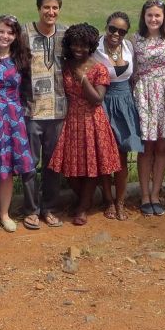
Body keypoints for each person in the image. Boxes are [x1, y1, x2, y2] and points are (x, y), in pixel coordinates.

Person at [48, 23, 122, 226]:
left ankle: (82, 207)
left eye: (82, 45)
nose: (77, 49)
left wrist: (82, 79)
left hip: (93, 120)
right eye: (74, 45)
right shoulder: (66, 65)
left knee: (92, 165)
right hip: (71, 119)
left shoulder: (99, 69)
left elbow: (98, 99)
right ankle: (86, 200)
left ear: (90, 46)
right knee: (69, 166)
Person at [0, 14, 35, 233]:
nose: (5, 36)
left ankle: (5, 214)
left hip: (12, 117)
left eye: (10, 32)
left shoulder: (21, 58)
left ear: (16, 35)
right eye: (2, 31)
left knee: (7, 168)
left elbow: (28, 89)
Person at [21, 0, 68, 229]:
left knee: (53, 164)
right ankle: (30, 210)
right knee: (29, 163)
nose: (51, 12)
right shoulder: (24, 34)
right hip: (31, 111)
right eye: (46, 7)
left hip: (59, 111)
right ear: (38, 8)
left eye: (55, 8)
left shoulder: (66, 34)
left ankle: (49, 208)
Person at [94, 11, 143, 221]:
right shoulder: (94, 47)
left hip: (124, 101)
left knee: (122, 154)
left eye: (121, 31)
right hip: (101, 99)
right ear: (106, 26)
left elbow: (136, 74)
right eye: (112, 28)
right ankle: (107, 200)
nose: (116, 33)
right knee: (105, 154)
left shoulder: (129, 47)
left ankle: (120, 201)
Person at [132, 0, 165, 217]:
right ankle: (144, 195)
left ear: (163, 16)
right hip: (144, 94)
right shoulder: (135, 39)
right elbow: (133, 68)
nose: (153, 19)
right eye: (149, 15)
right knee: (146, 147)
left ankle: (156, 194)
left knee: (161, 146)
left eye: (157, 15)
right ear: (144, 16)